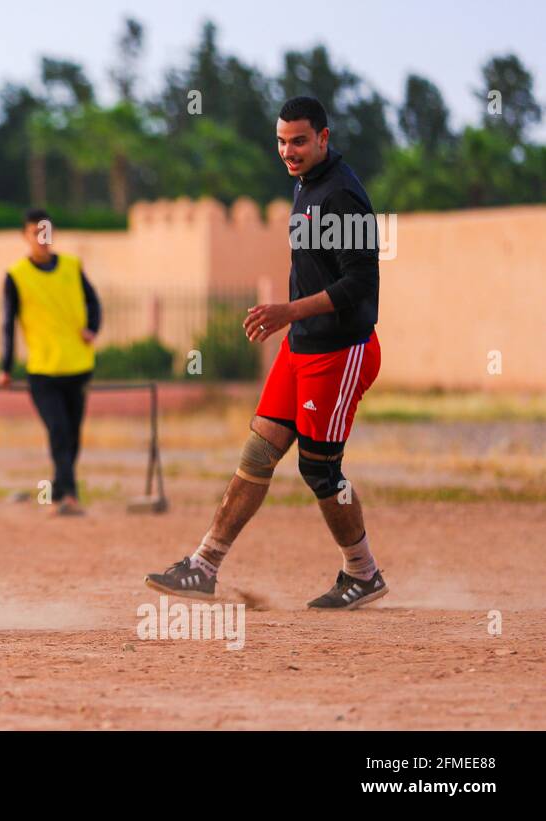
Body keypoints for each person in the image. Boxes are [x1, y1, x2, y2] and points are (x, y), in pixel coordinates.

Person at [145, 96, 386, 609]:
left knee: (321, 469)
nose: (288, 151)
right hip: (303, 348)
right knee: (258, 453)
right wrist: (294, 321)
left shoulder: (342, 195)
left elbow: (361, 285)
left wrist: (289, 311)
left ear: (324, 137)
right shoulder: (305, 184)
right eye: (281, 141)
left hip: (341, 352)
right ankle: (203, 566)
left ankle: (362, 573)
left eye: (299, 140)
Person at [0, 209, 101, 516]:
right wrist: (5, 368)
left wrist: (92, 328)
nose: (42, 238)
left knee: (73, 435)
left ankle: (58, 489)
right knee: (58, 430)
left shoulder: (71, 265)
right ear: (25, 237)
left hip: (78, 365)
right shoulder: (16, 275)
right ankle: (69, 496)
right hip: (42, 370)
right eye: (35, 233)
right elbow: (8, 324)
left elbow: (94, 301)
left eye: (47, 232)